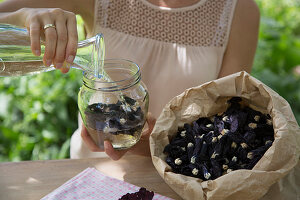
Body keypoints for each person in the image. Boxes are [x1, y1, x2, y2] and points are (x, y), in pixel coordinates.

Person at [0, 0, 260, 160]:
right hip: (89, 171)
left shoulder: (239, 11)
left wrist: (163, 144)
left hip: (178, 178)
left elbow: (228, 124)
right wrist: (23, 17)